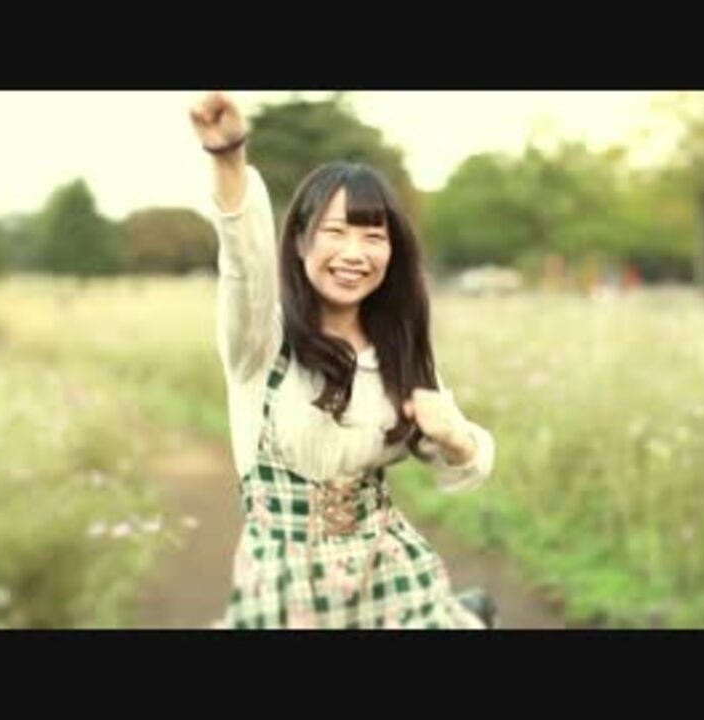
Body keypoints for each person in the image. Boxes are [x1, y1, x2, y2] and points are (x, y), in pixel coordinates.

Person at [189, 91, 496, 629]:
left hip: (392, 578)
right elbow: (243, 263)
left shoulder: (397, 351)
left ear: (392, 253)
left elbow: (464, 465)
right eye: (335, 232)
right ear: (300, 243)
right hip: (284, 590)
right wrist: (229, 158)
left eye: (373, 236)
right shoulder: (259, 340)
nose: (354, 253)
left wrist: (455, 437)